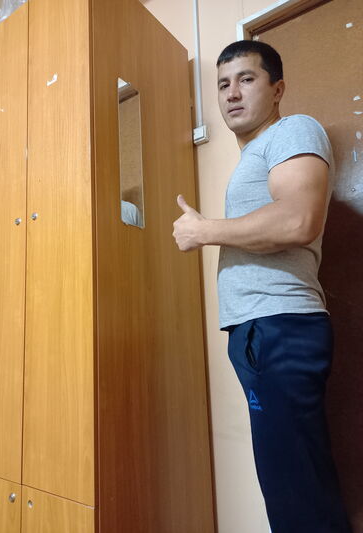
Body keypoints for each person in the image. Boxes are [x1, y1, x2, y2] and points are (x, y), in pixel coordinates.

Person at [172, 40, 352, 533]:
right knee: (295, 485)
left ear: (278, 89)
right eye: (223, 84)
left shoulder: (293, 130)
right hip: (263, 331)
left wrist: (204, 230)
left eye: (246, 79)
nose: (231, 93)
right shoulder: (256, 154)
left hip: (280, 327)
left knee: (295, 493)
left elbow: (298, 220)